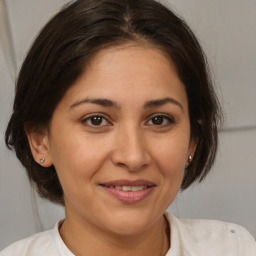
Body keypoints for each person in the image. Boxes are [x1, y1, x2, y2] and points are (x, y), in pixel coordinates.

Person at [1, 0, 255, 255]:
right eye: (96, 120)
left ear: (192, 139)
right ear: (39, 140)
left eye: (159, 120)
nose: (133, 157)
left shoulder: (235, 248)